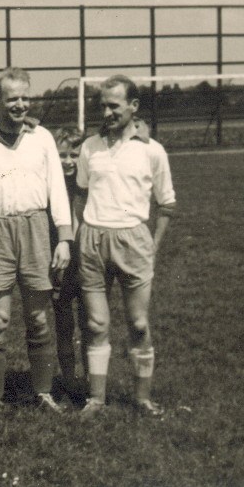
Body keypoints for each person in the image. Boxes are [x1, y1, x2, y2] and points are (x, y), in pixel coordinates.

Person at [0, 68, 72, 420]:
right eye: (12, 99)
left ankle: (44, 392)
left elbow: (57, 189)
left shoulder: (42, 137)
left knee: (38, 317)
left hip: (36, 226)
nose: (19, 104)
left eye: (25, 97)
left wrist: (64, 237)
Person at [74, 75, 176, 417]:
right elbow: (81, 193)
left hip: (133, 242)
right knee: (96, 325)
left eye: (114, 105)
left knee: (138, 323)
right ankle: (96, 399)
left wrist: (153, 246)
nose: (106, 111)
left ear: (133, 107)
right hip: (93, 240)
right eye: (102, 105)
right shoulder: (90, 147)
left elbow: (167, 204)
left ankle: (143, 398)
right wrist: (79, 234)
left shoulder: (152, 150)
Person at [49, 127, 89, 399]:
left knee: (90, 322)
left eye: (74, 154)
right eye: (62, 154)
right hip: (59, 260)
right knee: (63, 324)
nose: (68, 161)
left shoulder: (89, 183)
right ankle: (68, 379)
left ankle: (89, 380)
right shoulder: (48, 183)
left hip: (87, 260)